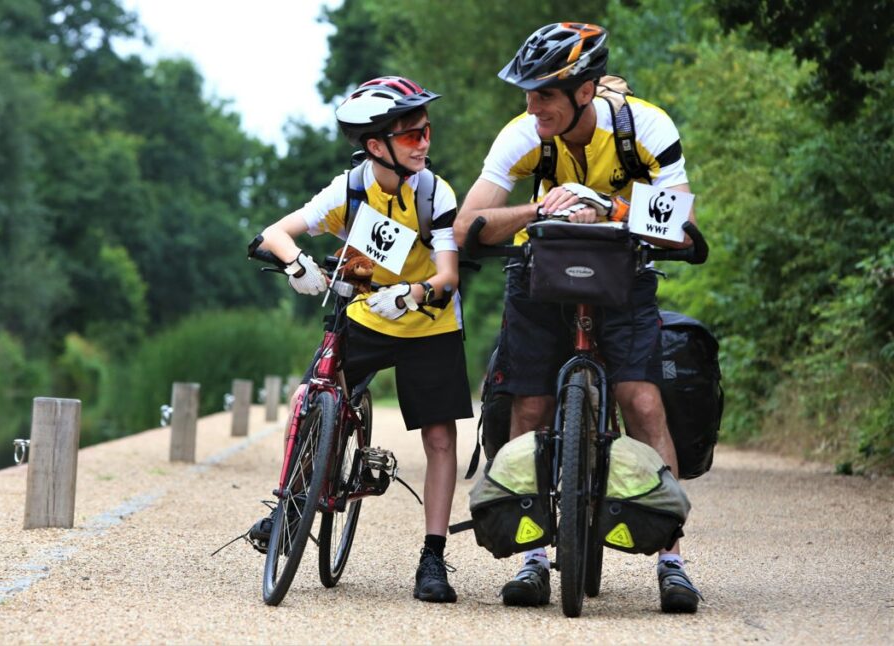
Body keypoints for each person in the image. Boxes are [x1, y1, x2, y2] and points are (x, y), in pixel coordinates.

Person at [453, 23, 703, 613]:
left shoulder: (647, 126)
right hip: (543, 270)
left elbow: (686, 229)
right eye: (529, 94)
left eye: (545, 94)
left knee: (642, 399)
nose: (532, 105)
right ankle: (531, 556)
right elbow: (467, 228)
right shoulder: (524, 134)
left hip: (623, 270)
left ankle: (672, 557)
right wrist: (540, 206)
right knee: (532, 403)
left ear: (584, 91)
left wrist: (610, 208)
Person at [253, 76, 474, 603]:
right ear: (377, 147)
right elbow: (274, 233)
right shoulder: (349, 189)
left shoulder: (433, 191)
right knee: (311, 396)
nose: (424, 142)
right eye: (412, 134)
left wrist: (411, 293)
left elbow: (449, 275)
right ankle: (290, 508)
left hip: (428, 322)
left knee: (440, 437)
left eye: (426, 131)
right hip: (366, 315)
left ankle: (433, 558)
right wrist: (296, 264)